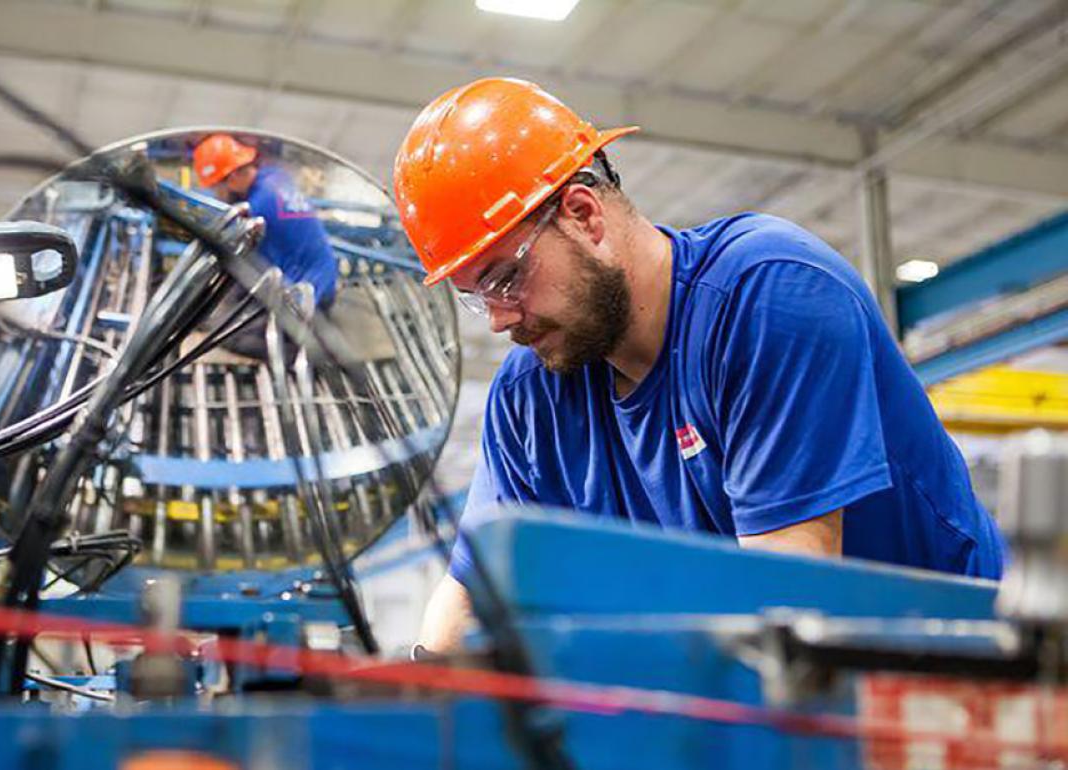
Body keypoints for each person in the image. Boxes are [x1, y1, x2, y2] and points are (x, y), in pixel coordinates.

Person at [392, 78, 1007, 654]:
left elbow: (786, 601)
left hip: (952, 678)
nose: (500, 319)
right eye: (478, 296)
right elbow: (473, 596)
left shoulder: (769, 297)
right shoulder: (532, 397)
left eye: (506, 277)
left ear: (584, 216)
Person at [192, 134, 338, 357]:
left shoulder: (257, 212)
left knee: (224, 335)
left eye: (216, 187)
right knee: (234, 298)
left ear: (231, 179)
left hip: (308, 298)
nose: (216, 194)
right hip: (323, 278)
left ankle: (310, 355)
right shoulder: (275, 177)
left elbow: (234, 261)